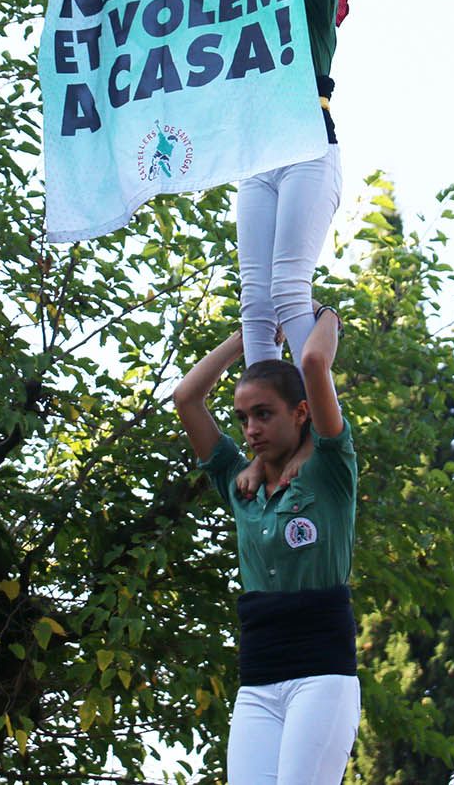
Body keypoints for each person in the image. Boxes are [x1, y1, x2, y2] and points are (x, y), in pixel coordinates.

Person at [86, 0, 348, 369]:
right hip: (261, 156)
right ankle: (270, 429)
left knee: (286, 288)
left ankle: (318, 427)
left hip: (306, 146)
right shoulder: (236, 6)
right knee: (254, 302)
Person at [172, 301, 359, 785]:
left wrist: (323, 315)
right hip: (259, 676)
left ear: (301, 413)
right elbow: (187, 398)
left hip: (321, 674)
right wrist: (248, 335)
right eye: (243, 418)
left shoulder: (330, 472)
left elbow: (315, 363)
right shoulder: (240, 484)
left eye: (263, 414)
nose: (251, 430)